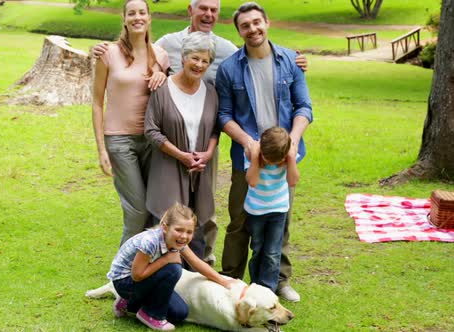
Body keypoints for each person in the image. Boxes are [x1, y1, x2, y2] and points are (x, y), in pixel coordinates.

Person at [94, 0, 309, 266]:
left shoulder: (227, 51)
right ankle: (144, 266)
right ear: (190, 11)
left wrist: (294, 58)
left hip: (206, 133)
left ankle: (202, 259)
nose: (208, 14)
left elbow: (262, 76)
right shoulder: (167, 45)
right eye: (202, 8)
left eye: (214, 10)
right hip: (167, 133)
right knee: (160, 206)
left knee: (207, 205)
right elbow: (144, 58)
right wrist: (106, 49)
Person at [216, 2, 313, 302]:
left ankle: (279, 281)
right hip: (246, 159)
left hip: (286, 159)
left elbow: (304, 107)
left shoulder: (290, 61)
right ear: (239, 31)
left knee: (279, 220)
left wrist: (293, 140)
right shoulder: (229, 68)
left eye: (257, 22)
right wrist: (247, 142)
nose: (253, 29)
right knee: (239, 222)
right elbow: (224, 115)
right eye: (245, 25)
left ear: (267, 23)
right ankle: (230, 281)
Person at [92, 0, 170, 246]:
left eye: (142, 12)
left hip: (151, 140)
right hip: (119, 140)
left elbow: (169, 97)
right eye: (131, 13)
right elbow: (96, 101)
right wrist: (101, 149)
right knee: (136, 209)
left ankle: (142, 268)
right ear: (124, 19)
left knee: (151, 209)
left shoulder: (161, 56)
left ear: (149, 18)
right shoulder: (108, 53)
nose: (137, 17)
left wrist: (163, 77)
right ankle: (120, 271)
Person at [144, 32, 218, 271]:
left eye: (205, 61)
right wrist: (182, 156)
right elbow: (151, 130)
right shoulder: (162, 89)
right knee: (168, 227)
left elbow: (216, 128)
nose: (199, 64)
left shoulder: (211, 92)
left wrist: (207, 153)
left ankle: (195, 282)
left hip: (200, 170)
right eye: (194, 58)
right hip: (168, 168)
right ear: (184, 57)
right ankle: (165, 281)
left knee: (196, 231)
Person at [107, 202, 234, 331]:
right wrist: (165, 260)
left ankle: (129, 303)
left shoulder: (178, 241)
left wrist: (225, 282)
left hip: (143, 281)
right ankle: (151, 315)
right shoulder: (150, 242)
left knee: (180, 313)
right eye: (179, 230)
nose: (184, 236)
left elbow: (197, 263)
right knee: (173, 269)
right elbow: (137, 275)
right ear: (165, 227)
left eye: (189, 232)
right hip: (124, 282)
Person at [244, 127, 299, 293]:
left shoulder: (287, 158)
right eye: (268, 159)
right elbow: (252, 182)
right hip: (256, 212)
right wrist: (255, 157)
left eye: (276, 161)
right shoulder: (252, 154)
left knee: (273, 252)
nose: (271, 164)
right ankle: (256, 286)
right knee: (258, 249)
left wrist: (291, 159)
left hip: (278, 211)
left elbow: (293, 181)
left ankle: (268, 289)